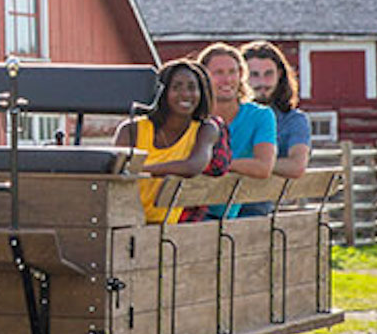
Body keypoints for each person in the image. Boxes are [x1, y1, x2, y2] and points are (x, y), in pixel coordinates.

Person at [113, 60, 228, 224]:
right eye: (176, 87)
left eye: (192, 87)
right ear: (162, 92)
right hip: (126, 218)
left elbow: (193, 166)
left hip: (169, 225)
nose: (186, 94)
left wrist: (142, 170)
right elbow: (117, 169)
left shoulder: (206, 129)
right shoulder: (132, 128)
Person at [198, 43, 278, 218]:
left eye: (232, 72)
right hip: (187, 208)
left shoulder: (260, 116)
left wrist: (216, 165)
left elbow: (264, 166)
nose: (227, 80)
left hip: (228, 212)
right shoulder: (194, 117)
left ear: (241, 75)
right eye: (218, 73)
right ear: (203, 77)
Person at [238, 41, 312, 216]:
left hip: (256, 208)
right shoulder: (228, 115)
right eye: (254, 75)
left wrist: (253, 165)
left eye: (268, 74)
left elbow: (296, 165)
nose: (261, 83)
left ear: (279, 75)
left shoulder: (293, 120)